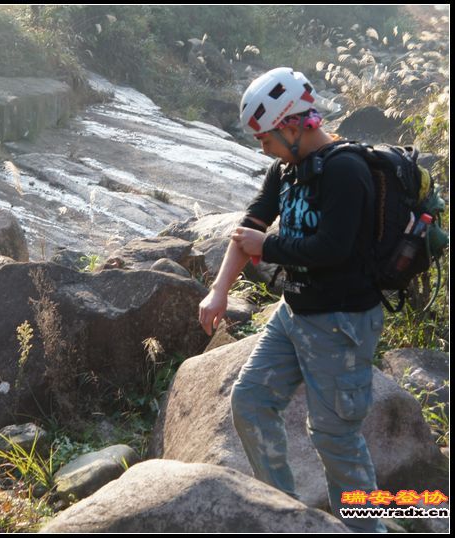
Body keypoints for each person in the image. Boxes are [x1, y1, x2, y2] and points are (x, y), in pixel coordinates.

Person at [199, 68, 387, 533]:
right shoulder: (287, 167)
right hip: (296, 313)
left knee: (335, 437)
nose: (263, 147)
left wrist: (271, 248)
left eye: (266, 138)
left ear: (291, 125)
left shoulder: (346, 169)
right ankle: (289, 517)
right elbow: (251, 226)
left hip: (342, 321)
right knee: (251, 401)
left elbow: (333, 248)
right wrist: (219, 289)